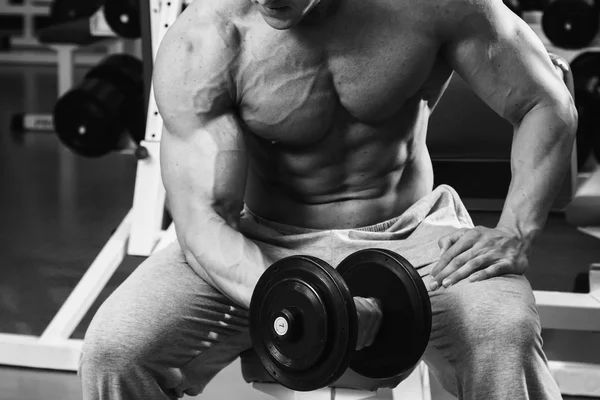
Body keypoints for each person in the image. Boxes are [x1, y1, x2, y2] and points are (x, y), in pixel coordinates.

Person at [79, 0, 577, 398]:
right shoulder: (206, 38)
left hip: (410, 234)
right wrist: (318, 302)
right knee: (116, 349)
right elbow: (204, 219)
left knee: (503, 329)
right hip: (261, 242)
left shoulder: (433, 6)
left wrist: (515, 229)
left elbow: (545, 102)